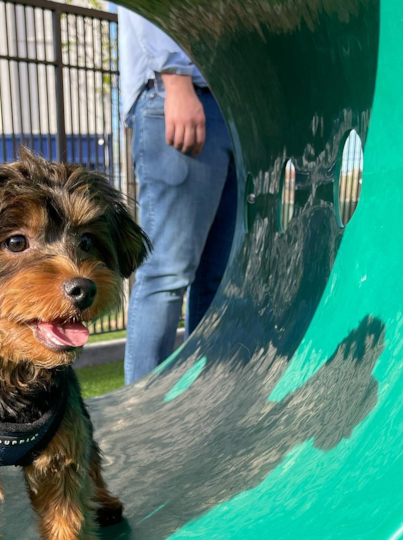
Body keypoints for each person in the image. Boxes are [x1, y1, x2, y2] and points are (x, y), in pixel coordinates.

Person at [118, 9, 237, 384]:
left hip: (227, 105)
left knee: (216, 275)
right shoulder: (176, 81)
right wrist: (176, 79)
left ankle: (198, 401)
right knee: (168, 273)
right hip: (177, 93)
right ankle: (141, 418)